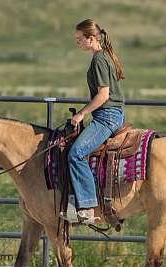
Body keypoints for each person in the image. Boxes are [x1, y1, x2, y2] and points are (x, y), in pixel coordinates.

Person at [64, 19, 126, 224]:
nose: (78, 42)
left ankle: (88, 207)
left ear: (91, 39)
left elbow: (103, 95)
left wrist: (81, 114)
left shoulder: (99, 59)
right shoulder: (104, 56)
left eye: (80, 39)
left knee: (75, 154)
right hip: (111, 114)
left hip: (107, 116)